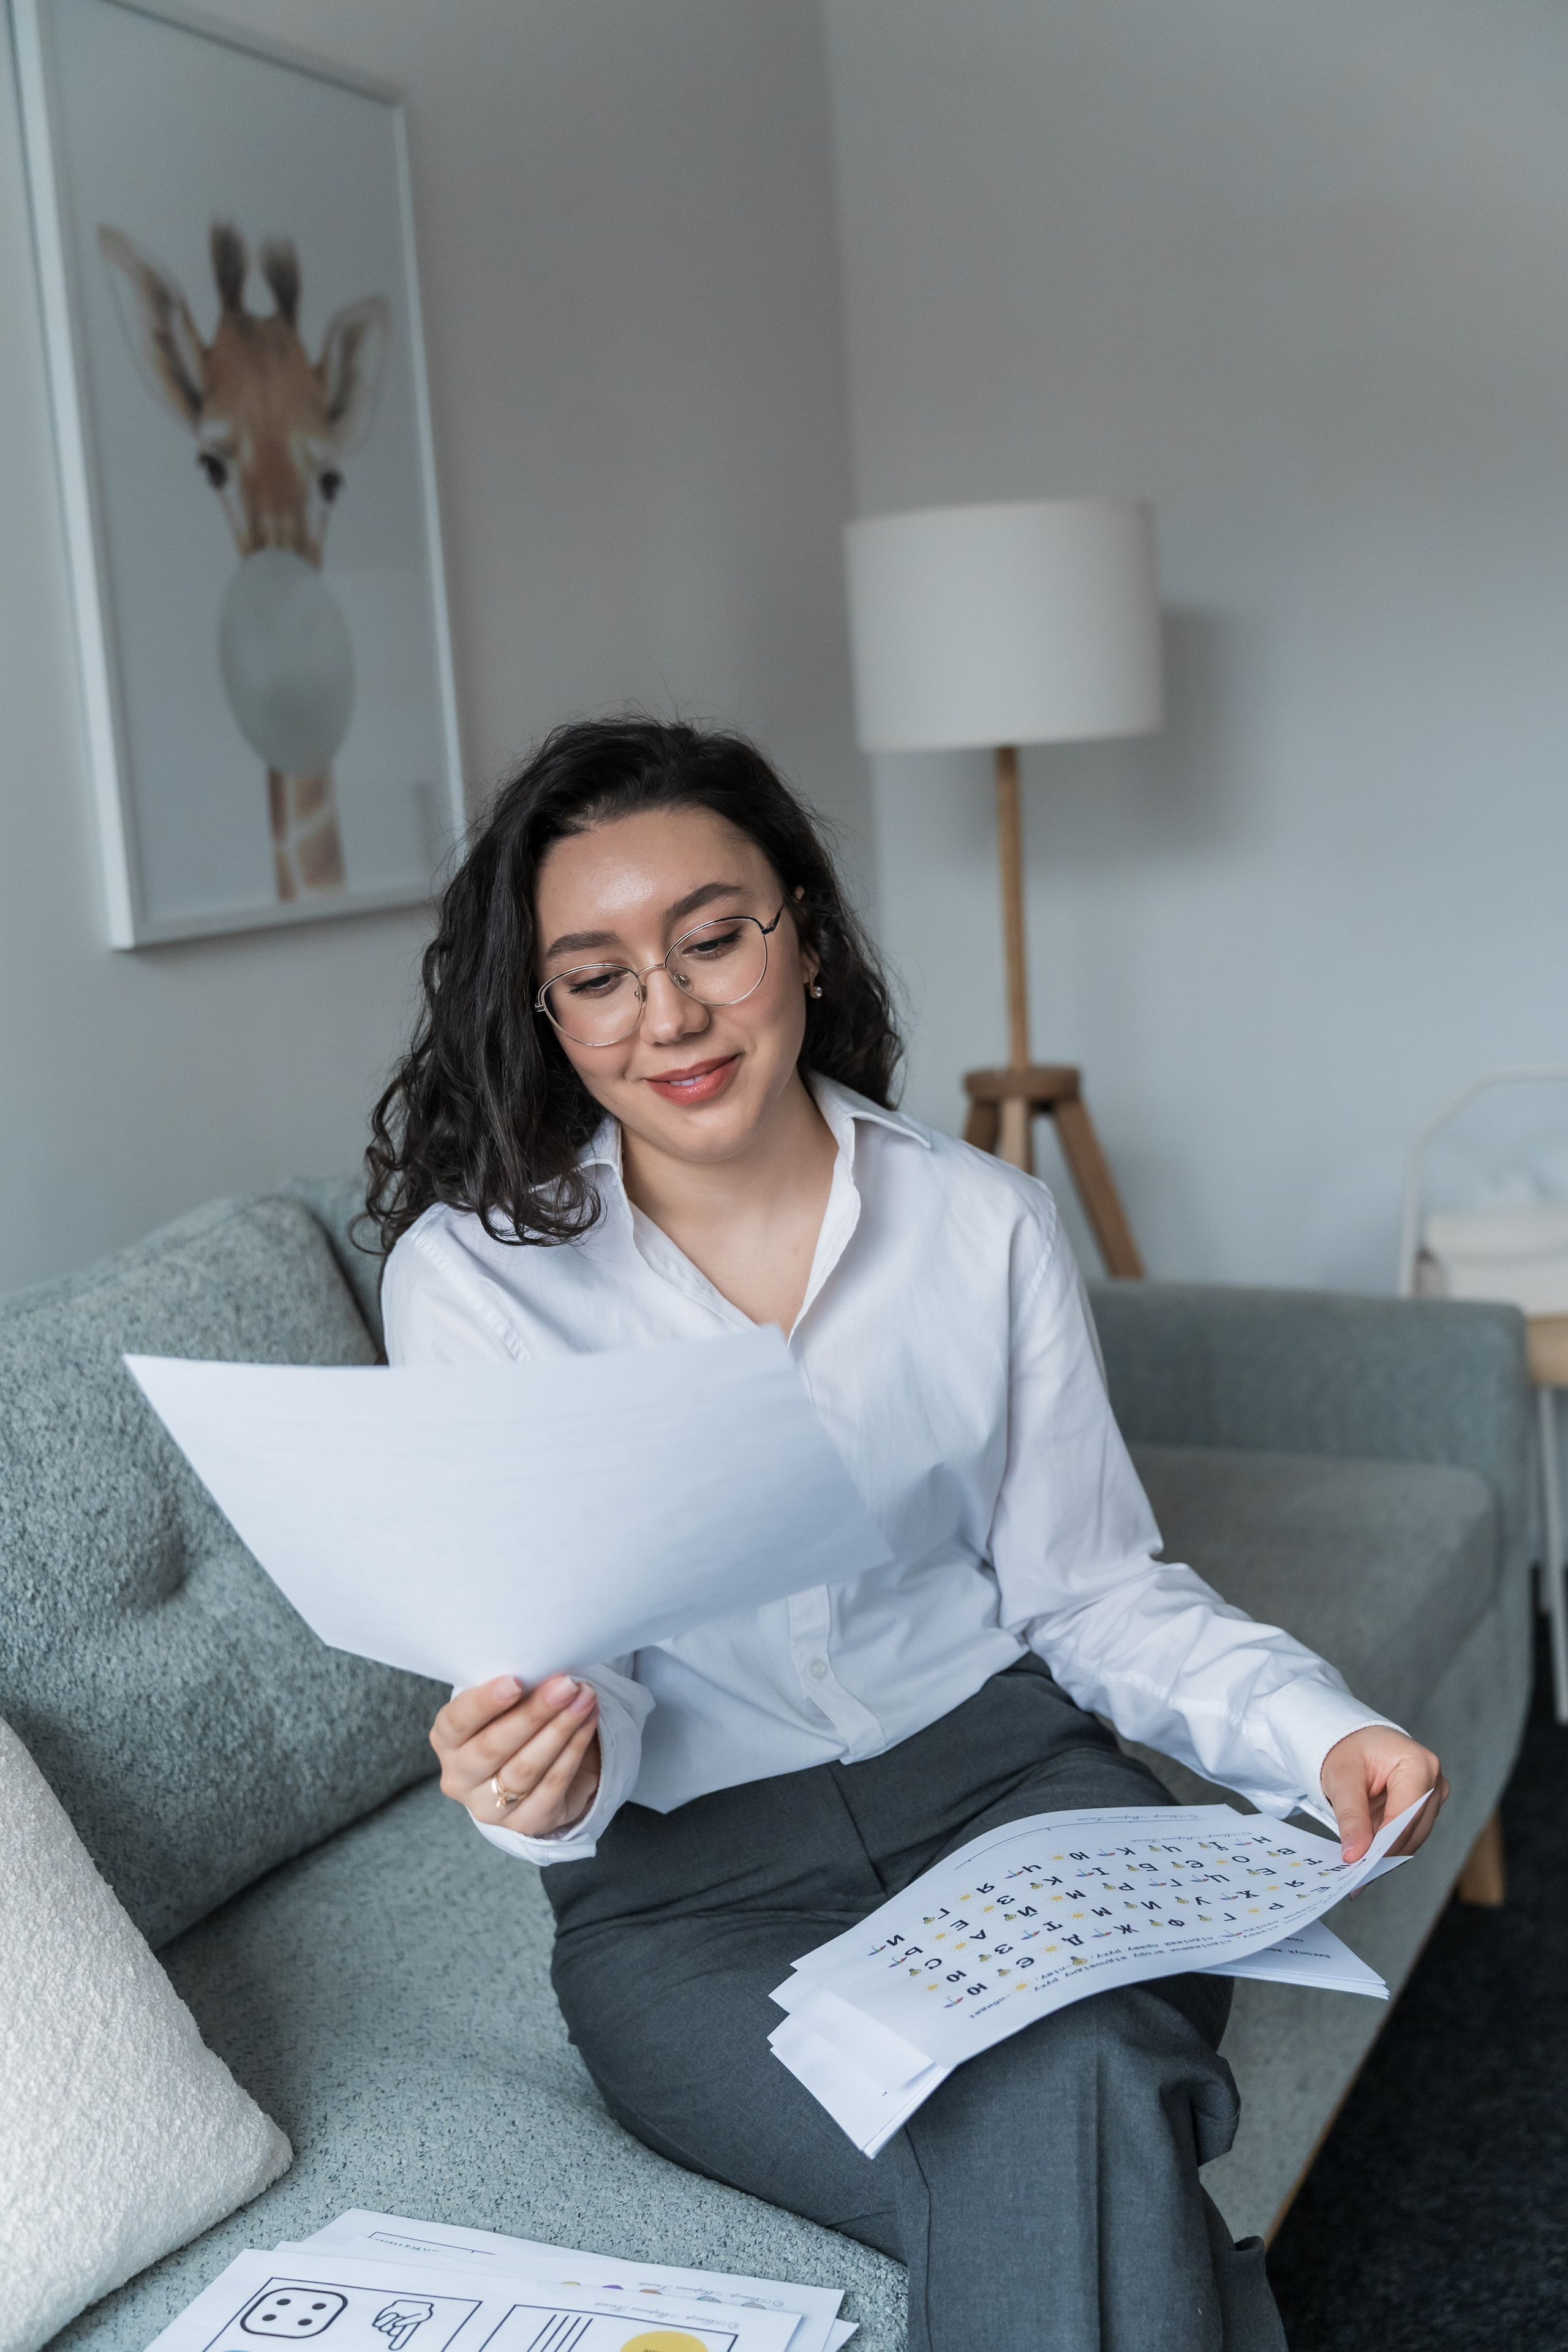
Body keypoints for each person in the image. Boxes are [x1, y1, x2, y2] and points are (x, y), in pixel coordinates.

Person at [366, 717, 1446, 2352]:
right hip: (692, 1904)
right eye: (596, 976)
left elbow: (1090, 1592)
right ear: (546, 1012)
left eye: (713, 940)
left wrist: (1318, 1730)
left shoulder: (983, 1222)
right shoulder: (474, 1284)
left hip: (1022, 1805)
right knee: (1089, 2087)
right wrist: (548, 1776)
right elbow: (556, 1678)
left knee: (1066, 2081)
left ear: (801, 929)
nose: (668, 1015)